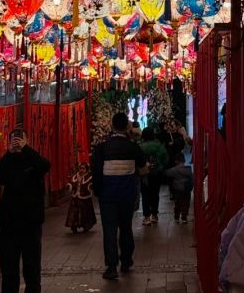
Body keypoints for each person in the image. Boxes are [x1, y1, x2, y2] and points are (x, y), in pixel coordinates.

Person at [0, 127, 50, 293]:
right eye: (14, 140)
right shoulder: (8, 160)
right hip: (9, 223)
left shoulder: (33, 159)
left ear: (27, 140)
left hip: (31, 223)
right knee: (9, 266)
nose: (17, 142)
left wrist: (26, 149)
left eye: (20, 139)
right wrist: (8, 153)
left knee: (32, 267)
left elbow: (45, 166)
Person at [91, 111, 147, 280]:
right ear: (127, 127)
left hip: (108, 197)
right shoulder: (133, 148)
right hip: (127, 195)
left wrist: (98, 191)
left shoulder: (102, 148)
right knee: (126, 227)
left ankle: (111, 266)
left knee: (109, 229)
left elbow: (96, 172)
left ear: (112, 126)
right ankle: (126, 261)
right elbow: (143, 169)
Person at [140, 125, 168, 225]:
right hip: (157, 174)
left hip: (144, 175)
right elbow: (165, 160)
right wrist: (160, 168)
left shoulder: (141, 146)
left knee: (145, 195)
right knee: (155, 194)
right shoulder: (160, 146)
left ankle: (147, 217)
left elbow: (138, 161)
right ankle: (155, 216)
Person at [65, 159, 96, 233]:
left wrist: (89, 187)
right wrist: (69, 186)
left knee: (85, 212)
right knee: (74, 212)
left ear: (86, 169)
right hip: (75, 198)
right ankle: (74, 226)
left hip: (85, 198)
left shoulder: (89, 177)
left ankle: (86, 225)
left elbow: (89, 185)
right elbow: (72, 183)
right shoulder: (76, 176)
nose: (81, 170)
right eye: (80, 168)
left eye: (83, 168)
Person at [164, 154, 193, 222]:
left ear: (176, 161)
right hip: (186, 189)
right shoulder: (188, 169)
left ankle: (176, 217)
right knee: (186, 203)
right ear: (184, 160)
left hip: (178, 189)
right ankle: (184, 217)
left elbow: (166, 173)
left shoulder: (174, 170)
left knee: (178, 203)